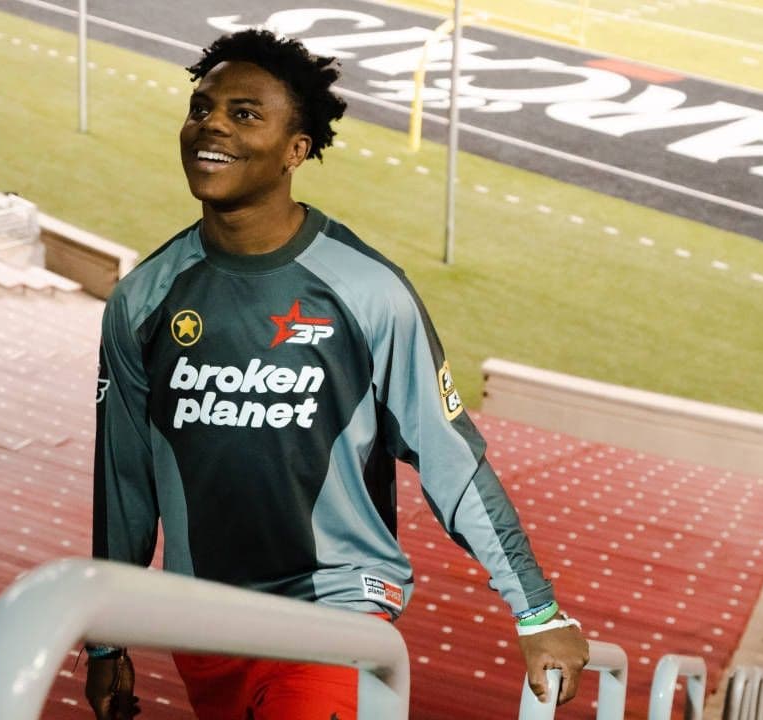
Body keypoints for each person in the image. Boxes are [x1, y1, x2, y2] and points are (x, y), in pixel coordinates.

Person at [87, 28, 588, 720]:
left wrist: (537, 610)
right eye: (201, 108)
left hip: (333, 616)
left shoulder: (369, 291)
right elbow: (123, 484)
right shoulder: (142, 300)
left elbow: (451, 460)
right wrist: (105, 640)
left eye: (244, 113)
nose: (212, 126)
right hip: (202, 623)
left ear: (297, 150)